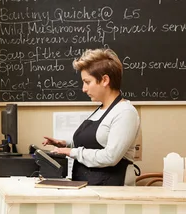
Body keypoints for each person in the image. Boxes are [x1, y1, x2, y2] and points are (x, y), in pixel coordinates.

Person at [43, 48, 140, 186]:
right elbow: (96, 142)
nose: (84, 89)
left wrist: (72, 152)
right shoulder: (100, 110)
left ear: (105, 80)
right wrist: (65, 143)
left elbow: (110, 157)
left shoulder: (125, 112)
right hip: (89, 185)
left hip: (113, 189)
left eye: (87, 82)